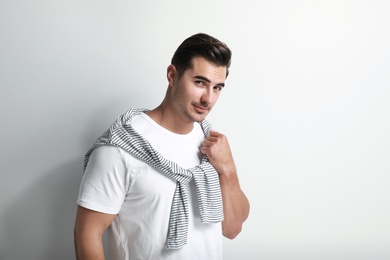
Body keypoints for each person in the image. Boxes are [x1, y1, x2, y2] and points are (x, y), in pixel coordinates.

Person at [74, 33, 250, 260]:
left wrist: (228, 170)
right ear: (172, 75)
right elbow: (86, 234)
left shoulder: (212, 145)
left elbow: (232, 228)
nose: (208, 99)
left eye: (217, 88)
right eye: (200, 82)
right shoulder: (119, 148)